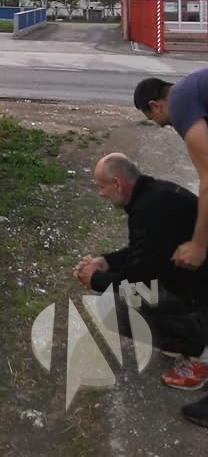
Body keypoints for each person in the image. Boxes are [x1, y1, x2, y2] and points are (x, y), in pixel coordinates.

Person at [73, 153, 208, 380]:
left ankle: (201, 354)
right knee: (123, 294)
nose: (100, 193)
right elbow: (146, 252)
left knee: (112, 307)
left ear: (118, 184)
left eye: (102, 186)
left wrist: (96, 280)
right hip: (194, 285)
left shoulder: (148, 209)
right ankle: (187, 337)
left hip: (199, 296)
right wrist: (107, 261)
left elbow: (140, 277)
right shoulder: (155, 195)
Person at [134, 70, 208, 425]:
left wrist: (198, 243)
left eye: (154, 119)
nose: (163, 126)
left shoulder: (180, 102)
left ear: (155, 105)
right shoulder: (194, 88)